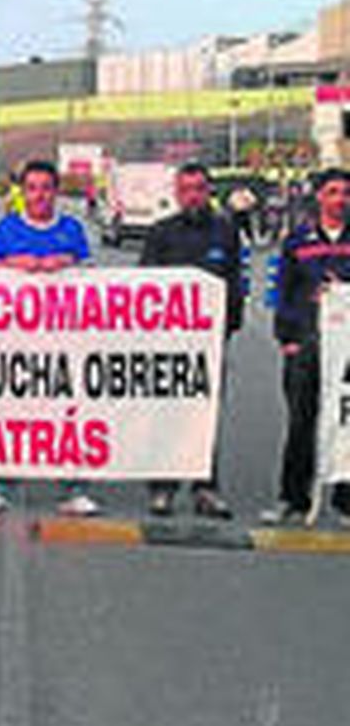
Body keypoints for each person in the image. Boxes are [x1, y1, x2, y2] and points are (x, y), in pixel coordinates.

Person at [0, 158, 99, 518]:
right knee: (8, 411)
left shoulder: (72, 229)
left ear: (56, 192)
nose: (39, 196)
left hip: (63, 341)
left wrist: (65, 264)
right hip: (15, 341)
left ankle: (74, 488)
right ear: (23, 192)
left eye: (46, 188)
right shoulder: (7, 228)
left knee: (68, 412)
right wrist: (11, 266)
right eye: (32, 188)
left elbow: (93, 275)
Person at [140, 161, 242, 519]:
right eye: (185, 190)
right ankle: (162, 489)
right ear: (176, 193)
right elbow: (144, 289)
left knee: (206, 417)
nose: (192, 196)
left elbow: (235, 284)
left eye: (198, 188)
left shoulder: (226, 232)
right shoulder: (160, 233)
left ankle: (206, 489)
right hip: (169, 344)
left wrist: (226, 328)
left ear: (209, 191)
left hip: (211, 345)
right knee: (166, 414)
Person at [263, 167, 350, 525]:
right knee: (302, 421)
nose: (340, 199)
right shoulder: (297, 241)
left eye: (345, 193)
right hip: (306, 341)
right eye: (333, 192)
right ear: (319, 197)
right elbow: (282, 292)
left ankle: (345, 502)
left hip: (346, 348)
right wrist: (286, 339)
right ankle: (292, 498)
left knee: (345, 424)